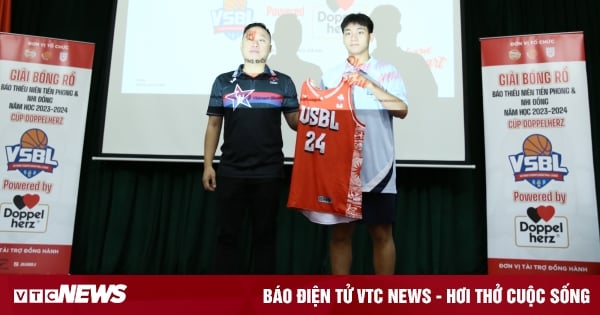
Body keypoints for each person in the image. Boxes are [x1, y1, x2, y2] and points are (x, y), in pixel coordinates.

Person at [202, 22, 299, 274]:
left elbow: (295, 123)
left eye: (262, 39)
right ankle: (226, 296)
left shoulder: (284, 82)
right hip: (231, 170)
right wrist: (208, 165)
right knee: (227, 236)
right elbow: (214, 125)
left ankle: (262, 296)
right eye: (250, 38)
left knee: (265, 238)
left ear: (270, 47)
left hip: (269, 173)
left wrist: (318, 107)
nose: (255, 43)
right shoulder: (223, 82)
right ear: (242, 44)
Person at [319, 13, 408, 275]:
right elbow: (324, 121)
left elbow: (401, 109)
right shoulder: (331, 75)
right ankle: (341, 299)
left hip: (378, 168)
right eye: (348, 32)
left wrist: (370, 84)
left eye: (359, 31)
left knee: (381, 234)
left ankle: (383, 300)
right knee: (340, 235)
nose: (353, 37)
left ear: (371, 36)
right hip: (341, 171)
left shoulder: (387, 71)